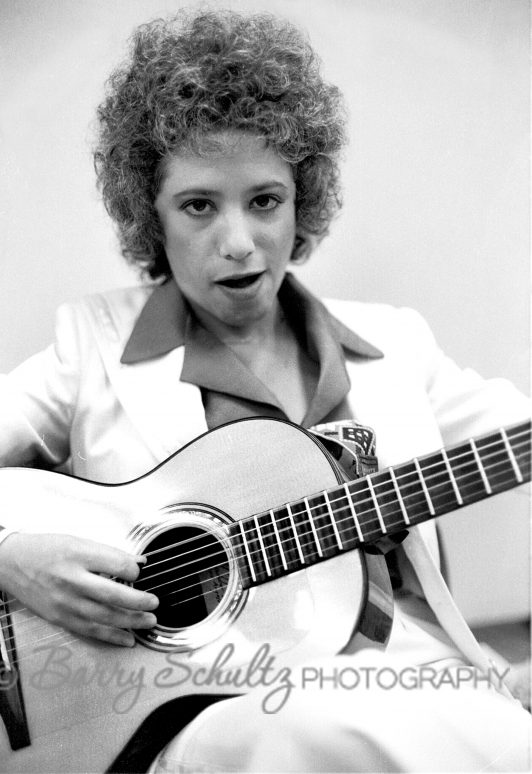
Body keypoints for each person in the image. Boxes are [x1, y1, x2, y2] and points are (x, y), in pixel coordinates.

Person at [0, 9, 530, 773]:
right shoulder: (91, 345)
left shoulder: (396, 344)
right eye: (198, 205)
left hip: (411, 673)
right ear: (149, 213)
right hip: (202, 710)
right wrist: (11, 555)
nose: (240, 242)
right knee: (324, 727)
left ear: (301, 200)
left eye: (265, 200)